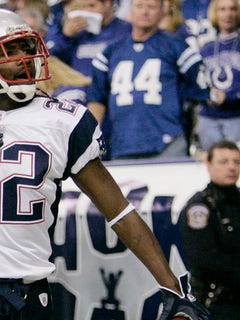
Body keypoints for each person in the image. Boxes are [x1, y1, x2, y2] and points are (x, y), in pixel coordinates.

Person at [0, 8, 209, 320]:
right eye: (8, 52)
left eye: (26, 48)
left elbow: (120, 211)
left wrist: (173, 288)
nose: (24, 59)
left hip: (35, 287)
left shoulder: (62, 120)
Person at [87, 0, 220, 159]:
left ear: (162, 11)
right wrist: (90, 139)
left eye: (151, 7)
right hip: (122, 143)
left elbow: (200, 88)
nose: (145, 12)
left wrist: (213, 95)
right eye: (140, 6)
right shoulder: (110, 52)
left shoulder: (176, 47)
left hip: (167, 141)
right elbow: (97, 99)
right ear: (131, 10)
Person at [179, 140, 240, 319]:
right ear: (209, 164)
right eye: (223, 162)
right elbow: (206, 260)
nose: (231, 167)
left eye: (236, 162)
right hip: (215, 304)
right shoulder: (200, 207)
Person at [196, 0, 240, 152]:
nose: (228, 14)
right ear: (215, 13)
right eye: (222, 9)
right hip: (208, 118)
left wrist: (229, 97)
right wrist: (206, 94)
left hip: (236, 117)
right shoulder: (206, 49)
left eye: (232, 9)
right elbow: (197, 81)